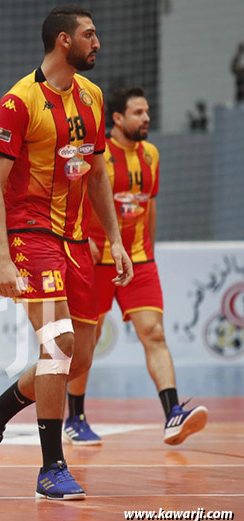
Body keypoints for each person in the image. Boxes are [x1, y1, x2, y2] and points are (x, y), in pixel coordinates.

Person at [0, 5, 133, 500]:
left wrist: (116, 239)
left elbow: (98, 172)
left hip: (78, 239)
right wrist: (0, 256)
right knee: (56, 348)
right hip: (30, 235)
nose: (97, 42)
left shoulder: (93, 96)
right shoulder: (20, 102)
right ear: (63, 41)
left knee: (77, 358)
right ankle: (51, 467)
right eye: (89, 34)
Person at [64, 87, 208, 446]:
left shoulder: (151, 155)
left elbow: (150, 205)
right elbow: (74, 196)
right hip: (96, 260)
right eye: (138, 112)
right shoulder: (97, 155)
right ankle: (75, 417)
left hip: (139, 260)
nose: (146, 118)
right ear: (117, 118)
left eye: (147, 112)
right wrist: (84, 240)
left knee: (154, 332)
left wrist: (147, 250)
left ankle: (173, 414)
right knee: (88, 341)